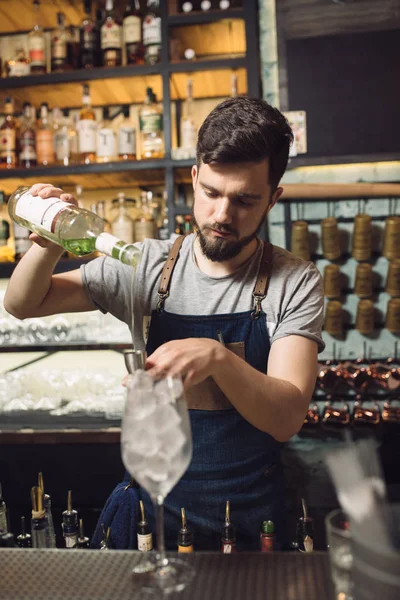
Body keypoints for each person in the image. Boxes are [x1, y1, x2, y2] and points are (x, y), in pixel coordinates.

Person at [4, 97, 324, 551]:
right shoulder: (145, 265)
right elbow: (22, 303)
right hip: (150, 518)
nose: (222, 216)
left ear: (273, 197)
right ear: (194, 178)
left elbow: (286, 418)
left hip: (251, 522)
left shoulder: (294, 281)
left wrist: (217, 358)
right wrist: (50, 241)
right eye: (211, 193)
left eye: (245, 200)